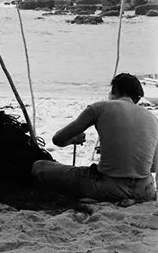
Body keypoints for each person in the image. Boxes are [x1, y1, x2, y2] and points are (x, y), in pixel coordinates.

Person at [31, 73, 158, 203]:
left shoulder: (99, 108)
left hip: (107, 187)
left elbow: (58, 139)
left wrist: (73, 139)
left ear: (114, 91)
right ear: (136, 98)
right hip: (145, 191)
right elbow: (153, 167)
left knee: (39, 166)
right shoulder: (153, 119)